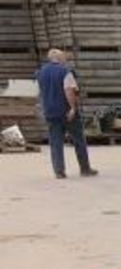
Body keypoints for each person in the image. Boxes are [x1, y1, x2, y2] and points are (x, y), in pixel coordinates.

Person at [36, 49, 96, 180]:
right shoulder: (65, 71)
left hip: (50, 111)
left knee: (55, 142)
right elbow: (68, 90)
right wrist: (73, 108)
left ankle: (59, 171)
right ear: (60, 58)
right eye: (63, 57)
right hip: (66, 111)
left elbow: (41, 92)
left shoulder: (41, 72)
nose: (65, 59)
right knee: (78, 139)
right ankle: (85, 168)